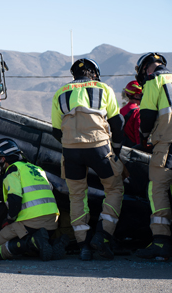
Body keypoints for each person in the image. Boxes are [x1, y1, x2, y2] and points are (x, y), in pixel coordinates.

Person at [51, 58, 125, 261]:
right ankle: (102, 235)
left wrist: (71, 144)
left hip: (71, 151)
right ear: (94, 73)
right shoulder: (104, 88)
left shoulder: (61, 92)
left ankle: (83, 245)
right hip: (99, 147)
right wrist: (116, 149)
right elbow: (117, 123)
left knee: (76, 196)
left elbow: (56, 131)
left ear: (74, 75)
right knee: (115, 188)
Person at [0, 138, 69, 261]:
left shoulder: (12, 171)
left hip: (32, 221)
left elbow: (15, 200)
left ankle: (30, 243)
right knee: (34, 250)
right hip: (52, 221)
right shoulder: (37, 169)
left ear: (3, 159)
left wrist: (9, 220)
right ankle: (52, 243)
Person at [133, 53, 172, 260]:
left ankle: (161, 242)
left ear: (145, 68)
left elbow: (146, 115)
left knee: (157, 189)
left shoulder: (154, 81)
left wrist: (145, 138)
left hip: (166, 145)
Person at [120, 80, 143, 148]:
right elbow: (138, 131)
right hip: (134, 147)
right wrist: (141, 146)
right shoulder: (137, 111)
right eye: (141, 95)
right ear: (136, 96)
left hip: (124, 147)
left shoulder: (121, 110)